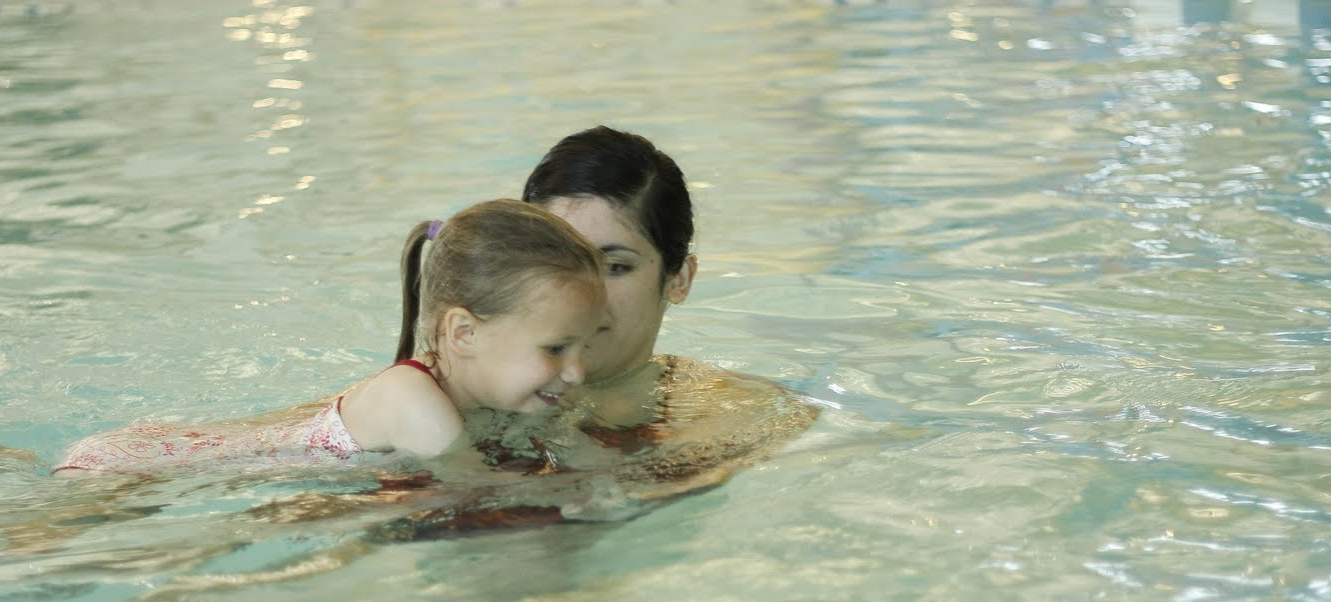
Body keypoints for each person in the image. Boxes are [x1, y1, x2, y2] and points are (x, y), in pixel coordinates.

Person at [52, 199, 607, 476]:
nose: (578, 370)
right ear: (463, 333)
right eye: (556, 348)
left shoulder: (464, 389)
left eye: (585, 344)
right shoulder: (415, 404)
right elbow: (484, 493)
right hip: (130, 471)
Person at [519, 126, 817, 463]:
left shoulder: (745, 420)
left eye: (615, 267)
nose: (578, 297)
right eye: (556, 261)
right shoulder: (472, 393)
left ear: (679, 280)